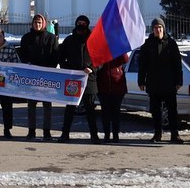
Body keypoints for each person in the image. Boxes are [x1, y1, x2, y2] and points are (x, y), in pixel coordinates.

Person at [137, 17, 184, 144]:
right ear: (152, 30)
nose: (158, 30)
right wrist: (141, 81)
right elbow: (142, 64)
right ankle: (158, 134)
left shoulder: (171, 43)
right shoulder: (147, 44)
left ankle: (175, 134)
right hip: (153, 83)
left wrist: (179, 81)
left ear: (163, 28)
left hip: (169, 83)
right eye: (155, 28)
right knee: (155, 110)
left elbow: (177, 64)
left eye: (160, 27)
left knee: (172, 110)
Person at [57, 15, 100, 144]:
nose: (81, 25)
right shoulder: (69, 40)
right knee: (70, 109)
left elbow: (100, 59)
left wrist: (92, 68)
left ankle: (94, 136)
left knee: (90, 110)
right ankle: (65, 134)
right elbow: (60, 57)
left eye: (83, 23)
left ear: (87, 24)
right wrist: (67, 68)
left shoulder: (94, 40)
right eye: (79, 22)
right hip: (73, 80)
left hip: (89, 79)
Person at [18, 13, 60, 141]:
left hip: (46, 76)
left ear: (44, 24)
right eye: (35, 22)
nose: (37, 25)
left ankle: (46, 131)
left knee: (47, 105)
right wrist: (28, 64)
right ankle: (31, 131)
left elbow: (55, 55)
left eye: (40, 23)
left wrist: (49, 68)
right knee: (31, 105)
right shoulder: (26, 38)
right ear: (32, 24)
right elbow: (22, 54)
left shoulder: (51, 38)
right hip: (31, 76)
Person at [96, 52, 129, 142]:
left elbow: (125, 59)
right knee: (105, 113)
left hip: (117, 86)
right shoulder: (101, 50)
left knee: (116, 113)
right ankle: (107, 135)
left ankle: (115, 135)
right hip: (103, 87)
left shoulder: (117, 49)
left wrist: (120, 49)